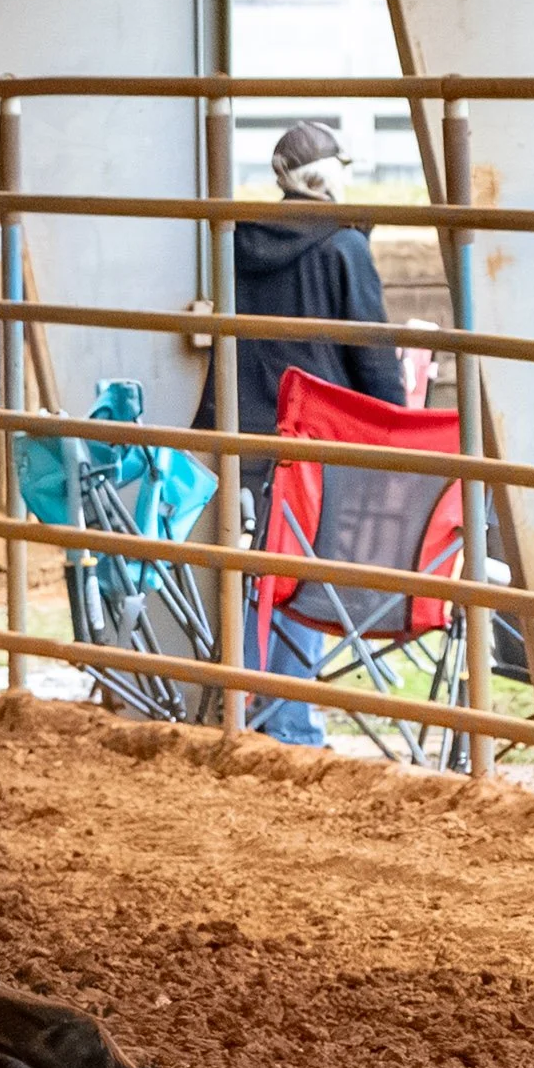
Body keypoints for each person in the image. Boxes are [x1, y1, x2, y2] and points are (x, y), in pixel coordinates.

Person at [193, 120, 404, 746]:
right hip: (315, 434)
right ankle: (289, 724)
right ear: (329, 175)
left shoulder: (234, 239)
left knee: (255, 569)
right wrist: (395, 424)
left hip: (241, 429)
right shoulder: (343, 246)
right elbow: (371, 353)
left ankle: (247, 712)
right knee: (303, 576)